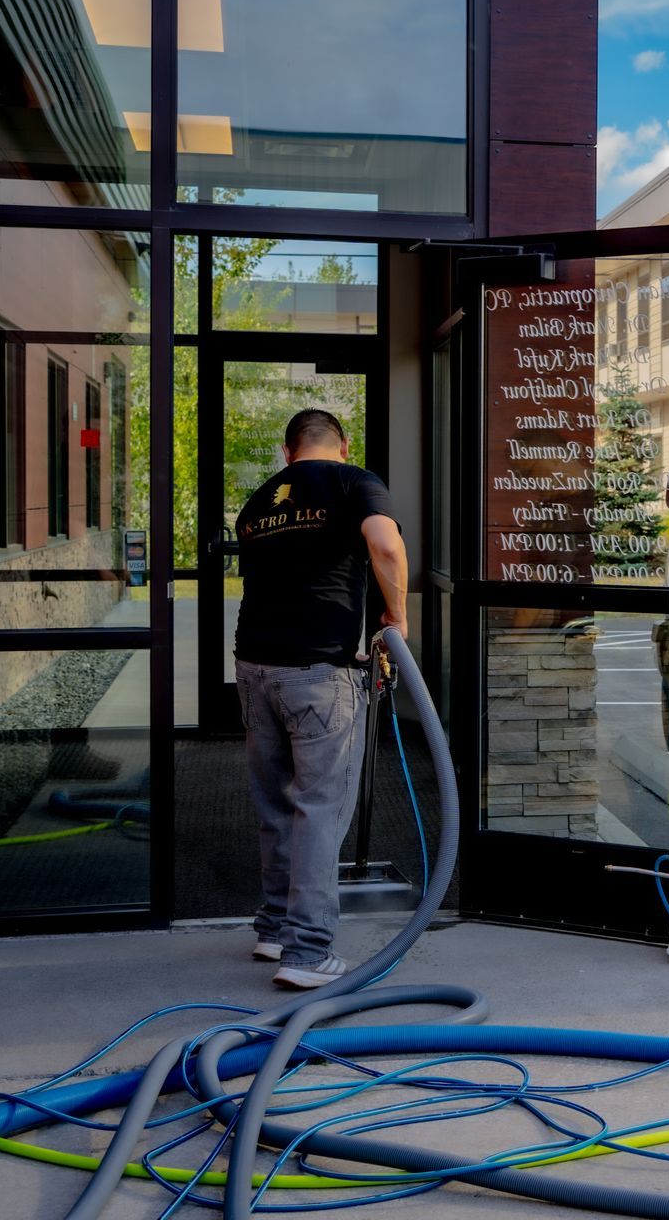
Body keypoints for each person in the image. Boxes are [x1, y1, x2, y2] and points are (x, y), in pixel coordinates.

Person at [232, 408, 408, 989]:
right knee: (319, 809)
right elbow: (384, 546)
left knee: (277, 803)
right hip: (319, 672)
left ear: (288, 452)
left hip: (254, 667)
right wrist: (396, 619)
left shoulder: (259, 502)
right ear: (343, 444)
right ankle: (307, 953)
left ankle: (274, 928)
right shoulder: (352, 481)